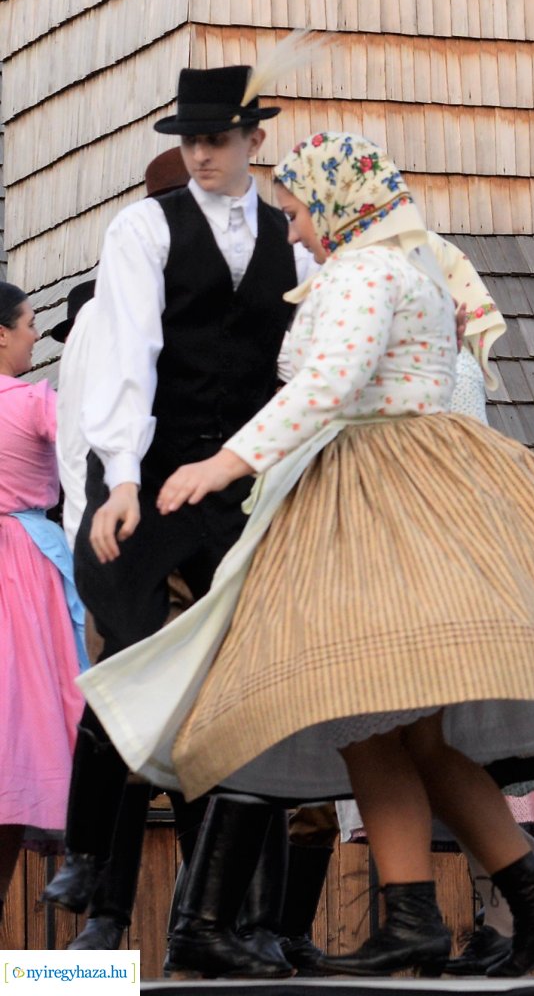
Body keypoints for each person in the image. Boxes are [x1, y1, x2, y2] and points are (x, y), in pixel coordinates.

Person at [77, 130, 534, 978]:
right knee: (412, 734)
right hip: (412, 490)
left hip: (380, 496)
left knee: (364, 712)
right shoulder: (408, 268)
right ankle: (529, 891)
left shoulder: (363, 274)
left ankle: (417, 912)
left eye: (301, 213)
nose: (293, 232)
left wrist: (224, 463)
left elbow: (327, 387)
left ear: (339, 208)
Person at [57, 66, 311, 979]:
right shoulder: (143, 228)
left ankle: (226, 924)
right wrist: (118, 479)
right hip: (151, 477)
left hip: (240, 485)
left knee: (238, 699)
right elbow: (129, 352)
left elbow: (301, 368)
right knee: (134, 664)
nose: (199, 154)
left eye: (216, 140)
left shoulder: (293, 240)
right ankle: (91, 871)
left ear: (253, 141)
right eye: (189, 140)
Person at [47, 148, 193, 954]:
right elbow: (84, 444)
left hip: (166, 530)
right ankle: (106, 905)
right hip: (127, 533)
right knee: (133, 717)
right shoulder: (114, 316)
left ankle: (152, 916)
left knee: (186, 728)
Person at [0, 284, 85, 897]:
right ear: (1, 333)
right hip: (24, 573)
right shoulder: (33, 403)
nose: (36, 333)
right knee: (25, 724)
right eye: (30, 322)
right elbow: (94, 449)